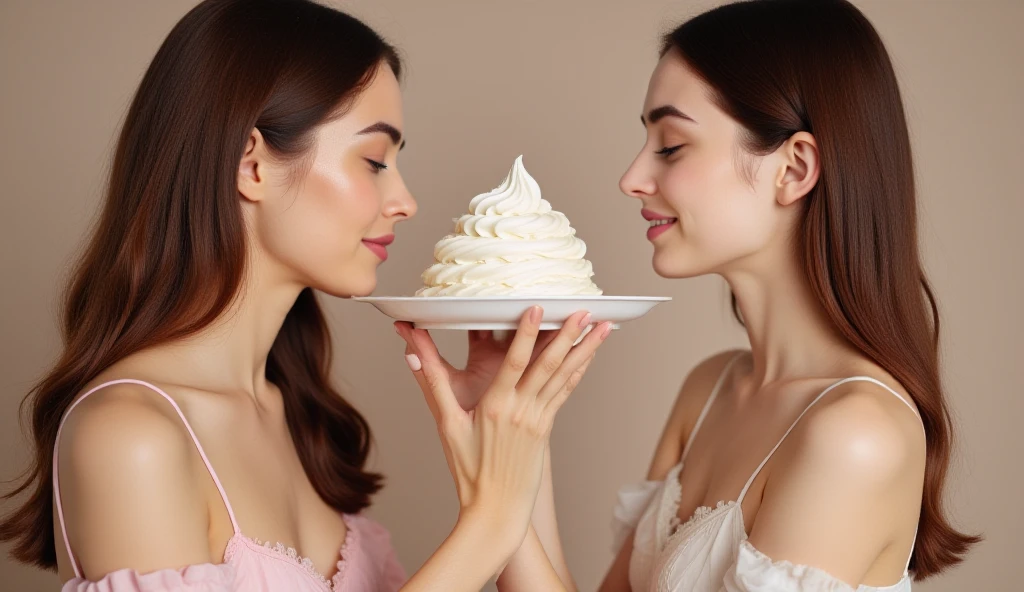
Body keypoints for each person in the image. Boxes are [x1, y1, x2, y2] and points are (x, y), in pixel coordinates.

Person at [0, 1, 609, 590]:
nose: (404, 200)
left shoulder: (297, 414)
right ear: (251, 165)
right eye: (374, 160)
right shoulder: (129, 437)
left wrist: (512, 444)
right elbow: (487, 530)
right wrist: (486, 524)